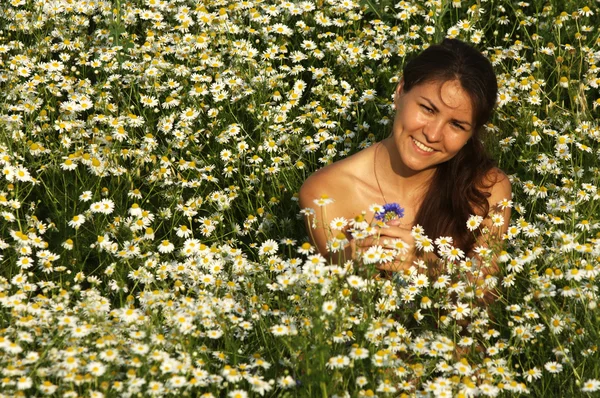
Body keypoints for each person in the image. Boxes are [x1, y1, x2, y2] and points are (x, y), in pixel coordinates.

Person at [298, 38, 512, 276]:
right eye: (428, 109)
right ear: (400, 92)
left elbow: (484, 301)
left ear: (471, 133)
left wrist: (427, 265)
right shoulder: (326, 192)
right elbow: (337, 297)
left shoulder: (488, 189)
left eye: (457, 125)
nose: (432, 134)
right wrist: (346, 260)